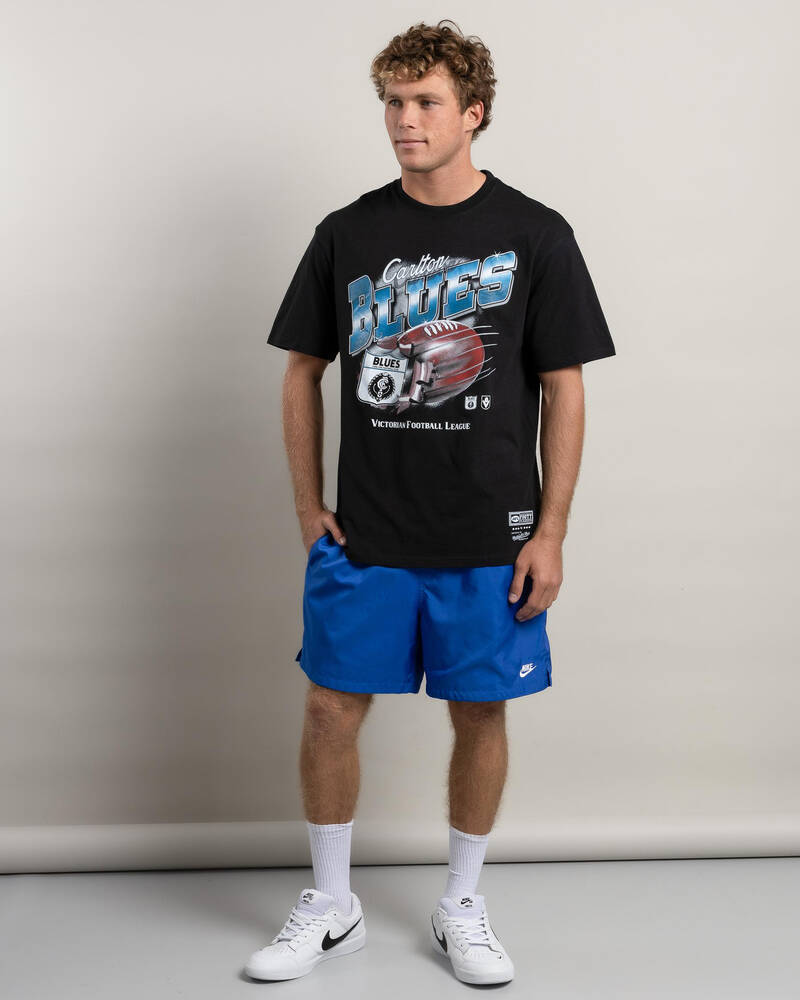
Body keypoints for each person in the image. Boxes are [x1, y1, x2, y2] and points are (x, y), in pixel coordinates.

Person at [245, 18, 616, 986]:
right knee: (330, 709)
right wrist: (307, 509)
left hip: (491, 533)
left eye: (425, 103)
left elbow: (565, 387)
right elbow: (301, 371)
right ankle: (332, 904)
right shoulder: (347, 233)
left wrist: (551, 530)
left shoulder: (535, 233)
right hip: (366, 534)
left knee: (480, 715)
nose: (403, 120)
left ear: (473, 113)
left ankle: (461, 904)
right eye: (391, 102)